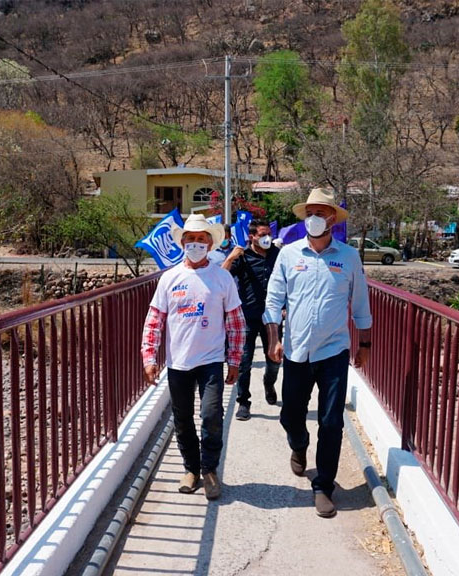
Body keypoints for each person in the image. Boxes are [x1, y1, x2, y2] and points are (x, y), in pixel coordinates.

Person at [263, 188, 372, 518]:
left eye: (321, 212)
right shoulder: (289, 255)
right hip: (296, 351)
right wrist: (273, 339)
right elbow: (273, 302)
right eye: (309, 212)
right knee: (290, 414)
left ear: (332, 219)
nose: (314, 217)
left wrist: (364, 344)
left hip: (333, 351)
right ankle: (299, 444)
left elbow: (361, 304)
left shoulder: (349, 257)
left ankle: (324, 485)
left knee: (331, 421)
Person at [141, 214, 246, 500]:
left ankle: (210, 469)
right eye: (191, 239)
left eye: (202, 239)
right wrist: (149, 357)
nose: (196, 244)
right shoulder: (169, 278)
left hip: (211, 360)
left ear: (211, 244)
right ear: (183, 243)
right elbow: (154, 320)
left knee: (212, 414)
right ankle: (191, 468)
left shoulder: (222, 278)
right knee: (182, 418)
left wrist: (234, 360)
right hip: (179, 362)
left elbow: (235, 322)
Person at [221, 219, 282, 421]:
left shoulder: (278, 254)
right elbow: (220, 277)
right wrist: (231, 257)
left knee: (274, 360)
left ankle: (269, 382)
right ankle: (243, 402)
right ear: (252, 236)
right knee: (244, 361)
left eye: (268, 234)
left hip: (272, 318)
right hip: (246, 317)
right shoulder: (243, 256)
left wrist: (286, 307)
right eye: (262, 234)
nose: (267, 238)